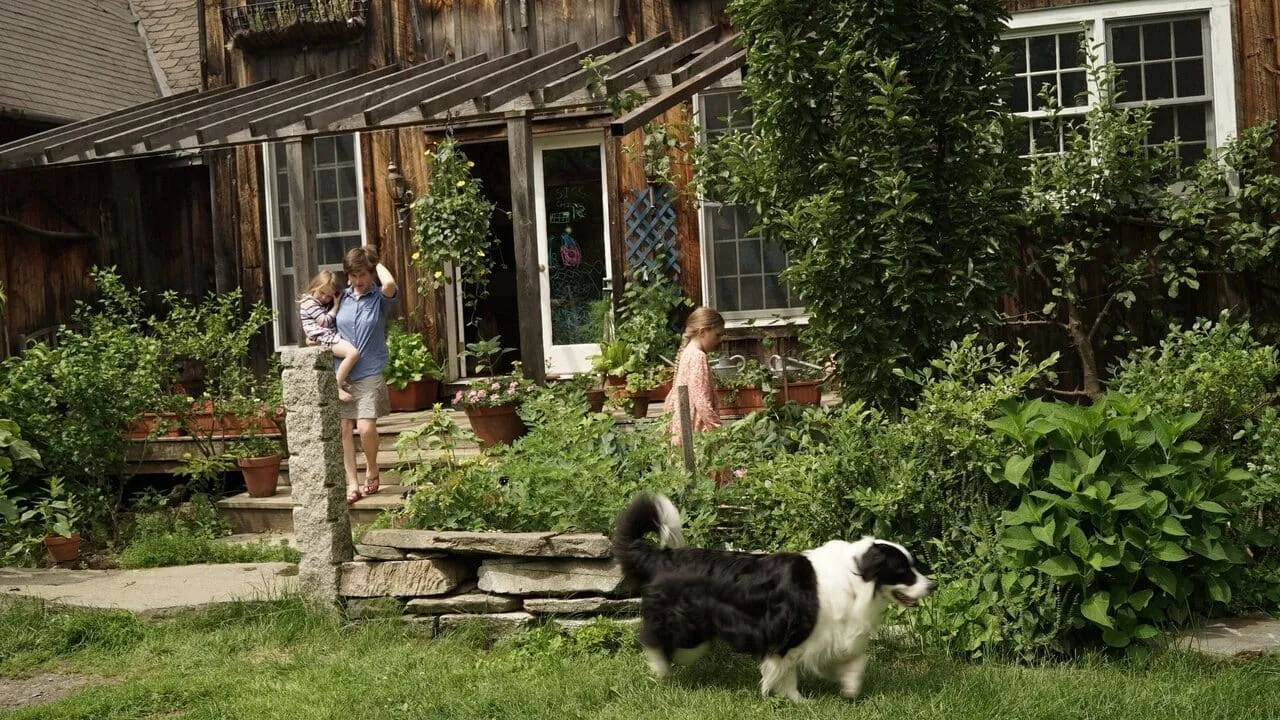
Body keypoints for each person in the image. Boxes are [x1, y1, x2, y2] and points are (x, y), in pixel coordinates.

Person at [333, 245, 397, 505]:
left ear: (370, 273)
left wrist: (375, 260)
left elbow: (390, 282)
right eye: (353, 275)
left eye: (363, 274)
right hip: (341, 371)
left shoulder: (380, 298)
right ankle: (352, 483)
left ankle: (371, 467)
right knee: (344, 429)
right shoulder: (341, 297)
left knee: (366, 427)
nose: (358, 281)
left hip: (370, 369)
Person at [663, 306, 725, 445]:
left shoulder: (687, 353)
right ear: (703, 331)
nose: (719, 340)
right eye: (717, 335)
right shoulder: (698, 356)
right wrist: (717, 428)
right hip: (696, 429)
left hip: (683, 426)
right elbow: (701, 399)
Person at [298, 270, 362, 403]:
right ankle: (336, 386)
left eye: (329, 296)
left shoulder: (320, 303)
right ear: (314, 287)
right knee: (353, 353)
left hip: (325, 337)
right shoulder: (309, 302)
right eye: (322, 293)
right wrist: (336, 305)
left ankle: (339, 383)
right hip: (324, 338)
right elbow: (324, 321)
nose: (324, 298)